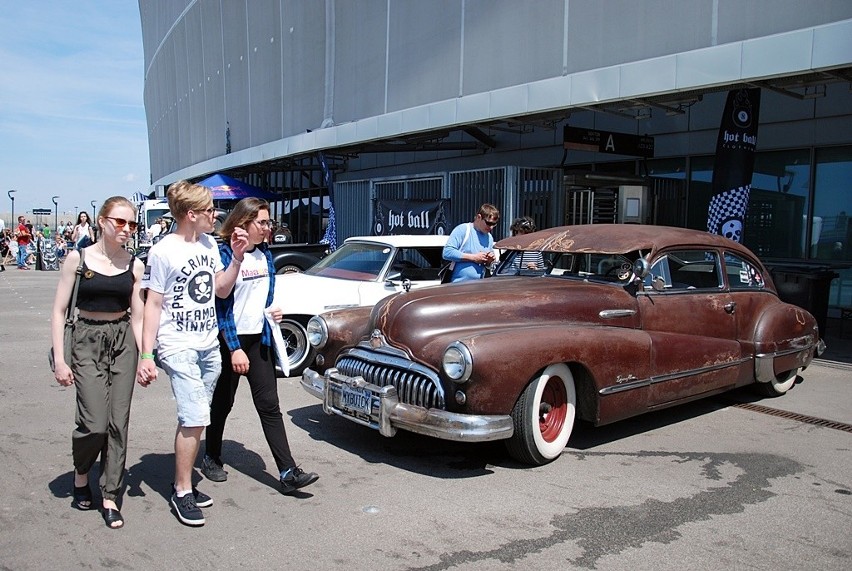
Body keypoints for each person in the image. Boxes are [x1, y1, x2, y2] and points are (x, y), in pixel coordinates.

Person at [136, 180, 244, 527]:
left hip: (208, 344)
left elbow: (220, 289)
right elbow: (152, 304)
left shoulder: (211, 244)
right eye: (210, 210)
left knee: (195, 417)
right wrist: (147, 355)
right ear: (191, 214)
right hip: (177, 344)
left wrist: (237, 259)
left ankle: (182, 482)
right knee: (196, 415)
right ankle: (182, 490)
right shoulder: (163, 251)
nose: (216, 216)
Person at [202, 198, 319, 495]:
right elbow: (222, 305)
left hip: (260, 339)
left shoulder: (265, 254)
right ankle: (211, 456)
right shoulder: (224, 252)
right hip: (231, 341)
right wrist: (233, 348)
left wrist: (272, 312)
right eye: (263, 223)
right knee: (222, 404)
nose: (269, 229)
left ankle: (287, 471)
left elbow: (261, 296)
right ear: (243, 223)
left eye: (269, 223)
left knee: (270, 406)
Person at [51, 197, 145, 529]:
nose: (126, 229)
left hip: (122, 341)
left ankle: (110, 494)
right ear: (102, 221)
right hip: (86, 338)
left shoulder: (134, 265)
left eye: (131, 225)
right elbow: (59, 311)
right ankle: (81, 474)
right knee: (94, 422)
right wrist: (60, 360)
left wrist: (146, 355)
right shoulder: (79, 259)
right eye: (120, 222)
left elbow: (138, 315)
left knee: (118, 421)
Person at [442, 204, 499, 283]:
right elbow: (447, 252)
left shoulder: (489, 237)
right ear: (479, 217)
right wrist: (473, 257)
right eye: (488, 223)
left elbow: (489, 265)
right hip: (457, 286)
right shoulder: (463, 229)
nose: (491, 227)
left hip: (479, 287)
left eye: (494, 224)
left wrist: (489, 261)